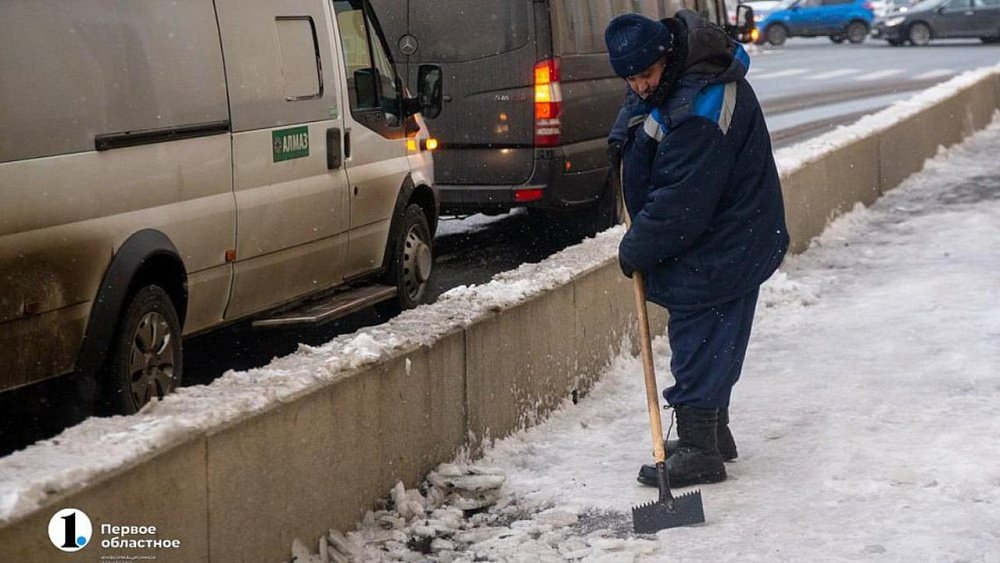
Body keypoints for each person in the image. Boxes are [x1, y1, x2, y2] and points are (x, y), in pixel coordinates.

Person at [604, 11, 789, 487]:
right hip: (733, 231)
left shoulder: (703, 103)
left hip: (726, 237)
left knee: (701, 333)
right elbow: (641, 117)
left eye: (646, 75)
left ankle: (701, 449)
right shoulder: (674, 79)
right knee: (717, 335)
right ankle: (712, 430)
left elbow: (682, 202)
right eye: (631, 78)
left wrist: (637, 247)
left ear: (667, 56)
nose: (640, 86)